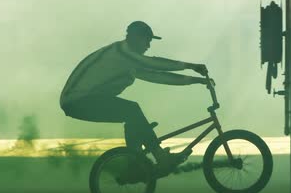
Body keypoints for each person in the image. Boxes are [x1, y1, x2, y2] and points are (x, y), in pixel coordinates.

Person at [60, 21, 210, 173]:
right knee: (132, 110)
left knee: (133, 118)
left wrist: (195, 81)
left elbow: (158, 77)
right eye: (147, 40)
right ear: (135, 38)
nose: (148, 46)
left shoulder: (129, 60)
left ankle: (134, 163)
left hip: (84, 99)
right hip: (78, 100)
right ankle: (159, 157)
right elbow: (155, 63)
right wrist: (191, 66)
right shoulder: (121, 53)